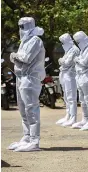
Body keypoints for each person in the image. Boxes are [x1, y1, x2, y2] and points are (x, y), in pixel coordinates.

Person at [8, 17, 45, 152]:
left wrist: (15, 56)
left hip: (30, 79)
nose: (20, 30)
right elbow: (20, 57)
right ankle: (27, 136)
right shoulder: (25, 41)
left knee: (31, 110)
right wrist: (16, 56)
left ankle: (34, 141)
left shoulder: (35, 40)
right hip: (21, 78)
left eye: (22, 27)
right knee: (23, 110)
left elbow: (26, 58)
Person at [56, 33, 79, 127]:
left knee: (71, 97)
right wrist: (62, 61)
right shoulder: (68, 50)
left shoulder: (74, 49)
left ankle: (73, 117)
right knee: (66, 95)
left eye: (63, 42)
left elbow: (67, 63)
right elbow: (63, 62)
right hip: (64, 74)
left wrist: (61, 61)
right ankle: (68, 114)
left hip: (71, 75)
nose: (62, 44)